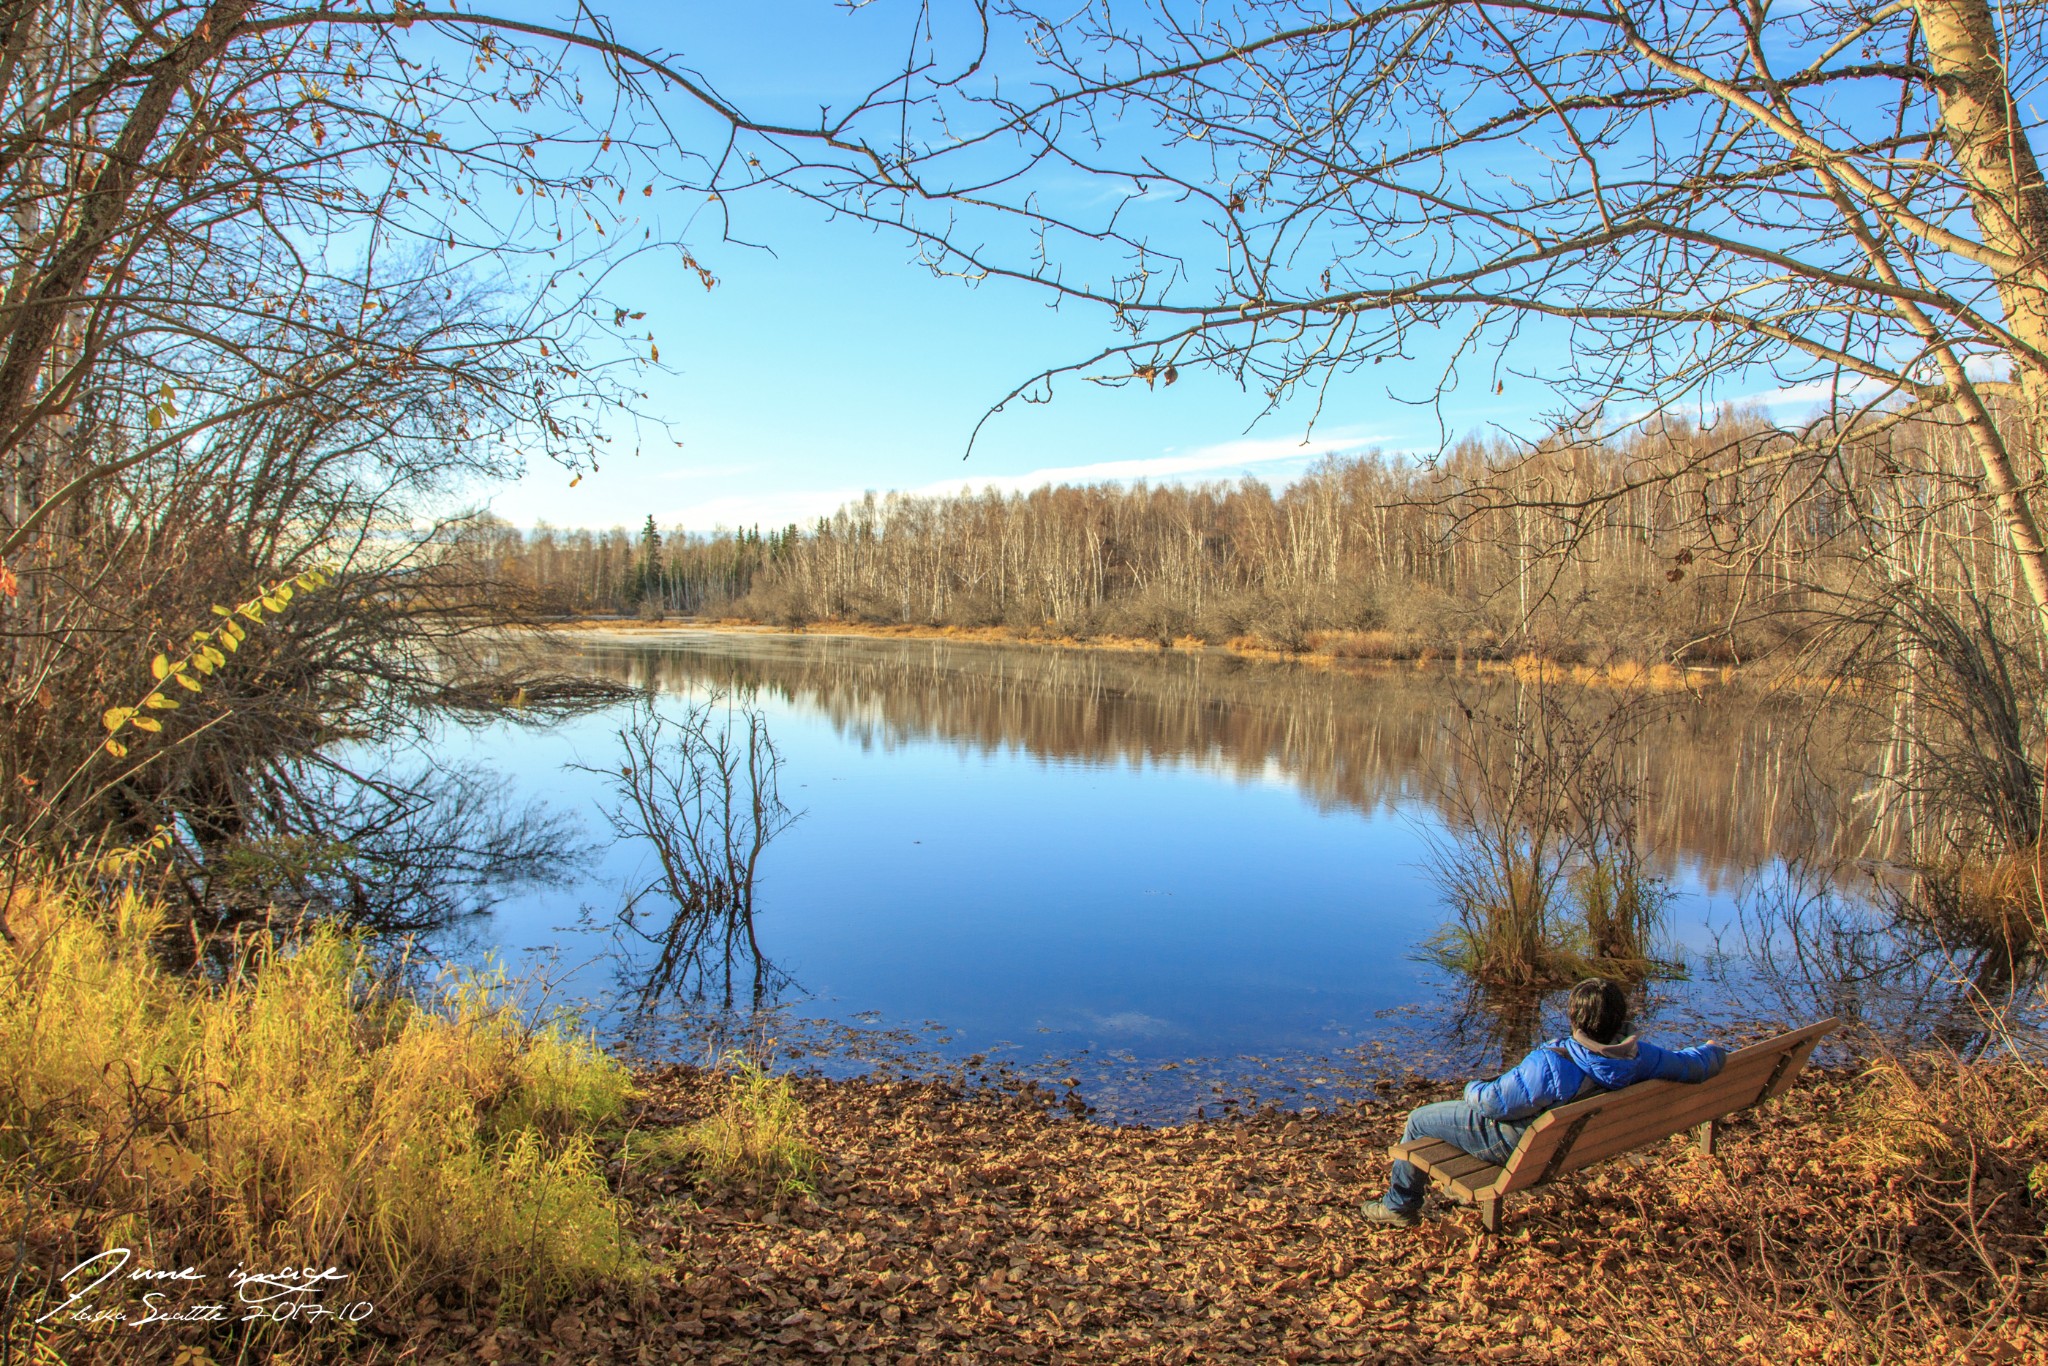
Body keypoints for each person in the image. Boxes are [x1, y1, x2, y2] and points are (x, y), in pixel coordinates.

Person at [1362, 978, 1726, 1227]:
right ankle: (1437, 1193)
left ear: (1576, 1018)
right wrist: (1714, 1052)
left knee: (1419, 1120)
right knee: (1451, 1118)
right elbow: (1689, 1065)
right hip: (1565, 1144)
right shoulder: (1639, 1056)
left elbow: (1494, 1104)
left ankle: (1399, 1206)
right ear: (1618, 1019)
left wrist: (1471, 1087)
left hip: (1513, 1143)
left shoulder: (1554, 1061)